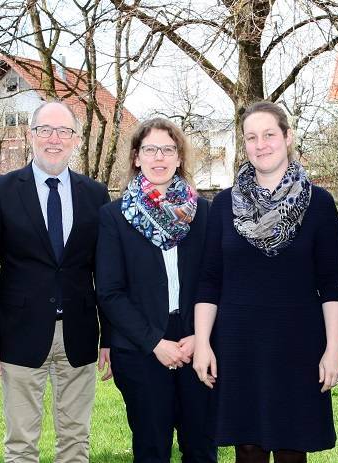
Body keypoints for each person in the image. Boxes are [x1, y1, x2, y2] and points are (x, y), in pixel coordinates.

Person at [193, 101, 338, 463]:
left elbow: (332, 283)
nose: (261, 144)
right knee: (246, 447)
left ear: (288, 137)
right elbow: (209, 281)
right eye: (251, 137)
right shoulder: (223, 206)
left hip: (298, 345)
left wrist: (335, 346)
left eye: (269, 135)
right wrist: (202, 343)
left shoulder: (319, 204)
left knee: (293, 448)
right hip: (238, 345)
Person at [0, 101, 112, 462]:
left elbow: (106, 273)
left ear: (76, 139)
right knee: (20, 445)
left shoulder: (95, 194)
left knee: (76, 444)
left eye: (64, 131)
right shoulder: (0, 191)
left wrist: (109, 339)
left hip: (79, 334)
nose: (54, 139)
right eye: (45, 130)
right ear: (30, 135)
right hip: (19, 333)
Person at [95, 118, 217, 463]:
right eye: (150, 149)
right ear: (136, 157)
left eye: (168, 149)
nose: (159, 157)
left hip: (198, 342)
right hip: (140, 346)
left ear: (179, 158)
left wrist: (200, 337)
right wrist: (153, 342)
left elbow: (217, 280)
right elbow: (109, 291)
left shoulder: (204, 213)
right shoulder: (115, 216)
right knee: (151, 448)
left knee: (202, 447)